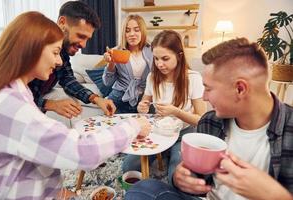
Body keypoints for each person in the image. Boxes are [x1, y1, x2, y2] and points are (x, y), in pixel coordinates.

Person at [0, 11, 151, 199]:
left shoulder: (16, 91)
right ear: (31, 48)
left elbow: (69, 80)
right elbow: (83, 151)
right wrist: (133, 125)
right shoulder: (14, 108)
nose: (58, 60)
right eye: (54, 52)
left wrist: (56, 191)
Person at [124, 38, 293, 200]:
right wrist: (180, 178)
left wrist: (275, 195)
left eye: (209, 89)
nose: (204, 97)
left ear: (240, 89)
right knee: (141, 190)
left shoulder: (289, 129)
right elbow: (199, 179)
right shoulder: (210, 122)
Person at [122, 30, 207, 183]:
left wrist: (175, 111)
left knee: (178, 178)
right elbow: (144, 105)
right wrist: (142, 107)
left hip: (183, 134)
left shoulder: (193, 78)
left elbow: (201, 119)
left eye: (165, 58)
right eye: (156, 59)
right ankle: (165, 152)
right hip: (157, 132)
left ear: (179, 56)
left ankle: (169, 154)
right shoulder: (152, 77)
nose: (159, 64)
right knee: (128, 167)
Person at [29, 1, 116, 119]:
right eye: (81, 36)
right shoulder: (34, 45)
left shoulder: (63, 52)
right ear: (62, 22)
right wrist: (49, 104)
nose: (84, 45)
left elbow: (67, 78)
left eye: (87, 39)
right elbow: (14, 92)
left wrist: (96, 99)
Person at [103, 14, 153, 113]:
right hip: (118, 98)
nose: (132, 34)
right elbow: (107, 82)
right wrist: (111, 63)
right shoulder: (116, 51)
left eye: (136, 30)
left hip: (144, 100)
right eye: (127, 30)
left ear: (142, 31)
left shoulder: (152, 50)